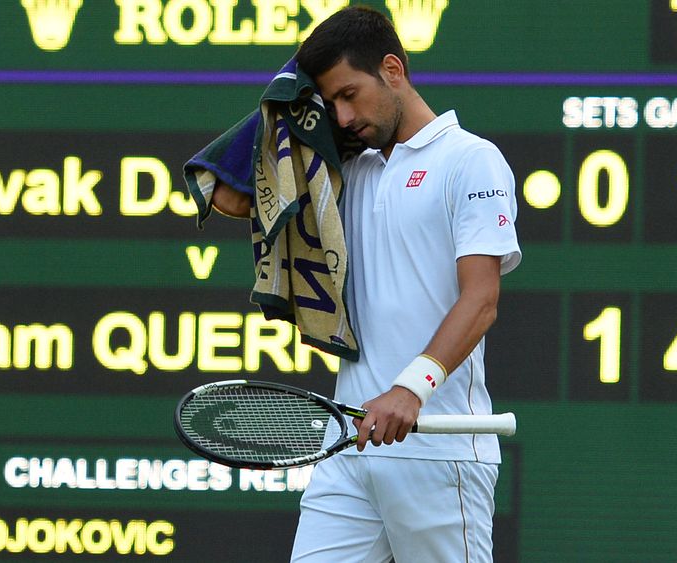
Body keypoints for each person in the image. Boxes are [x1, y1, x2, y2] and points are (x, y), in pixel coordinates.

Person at [210, 7, 520, 562]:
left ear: (393, 69)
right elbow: (229, 197)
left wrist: (411, 389)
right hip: (348, 448)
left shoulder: (472, 160)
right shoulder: (343, 173)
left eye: (350, 94)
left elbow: (482, 299)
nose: (342, 115)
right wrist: (293, 86)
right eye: (328, 104)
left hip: (438, 449)